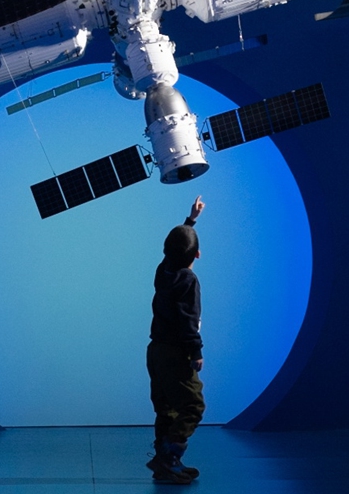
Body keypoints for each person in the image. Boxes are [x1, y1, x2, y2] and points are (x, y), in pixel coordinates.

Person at [146, 196, 206, 484]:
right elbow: (188, 321)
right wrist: (195, 352)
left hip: (155, 351)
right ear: (197, 255)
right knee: (193, 406)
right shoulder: (189, 281)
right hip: (175, 354)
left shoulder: (163, 272)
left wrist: (190, 221)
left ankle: (164, 462)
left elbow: (175, 250)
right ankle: (169, 457)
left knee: (165, 407)